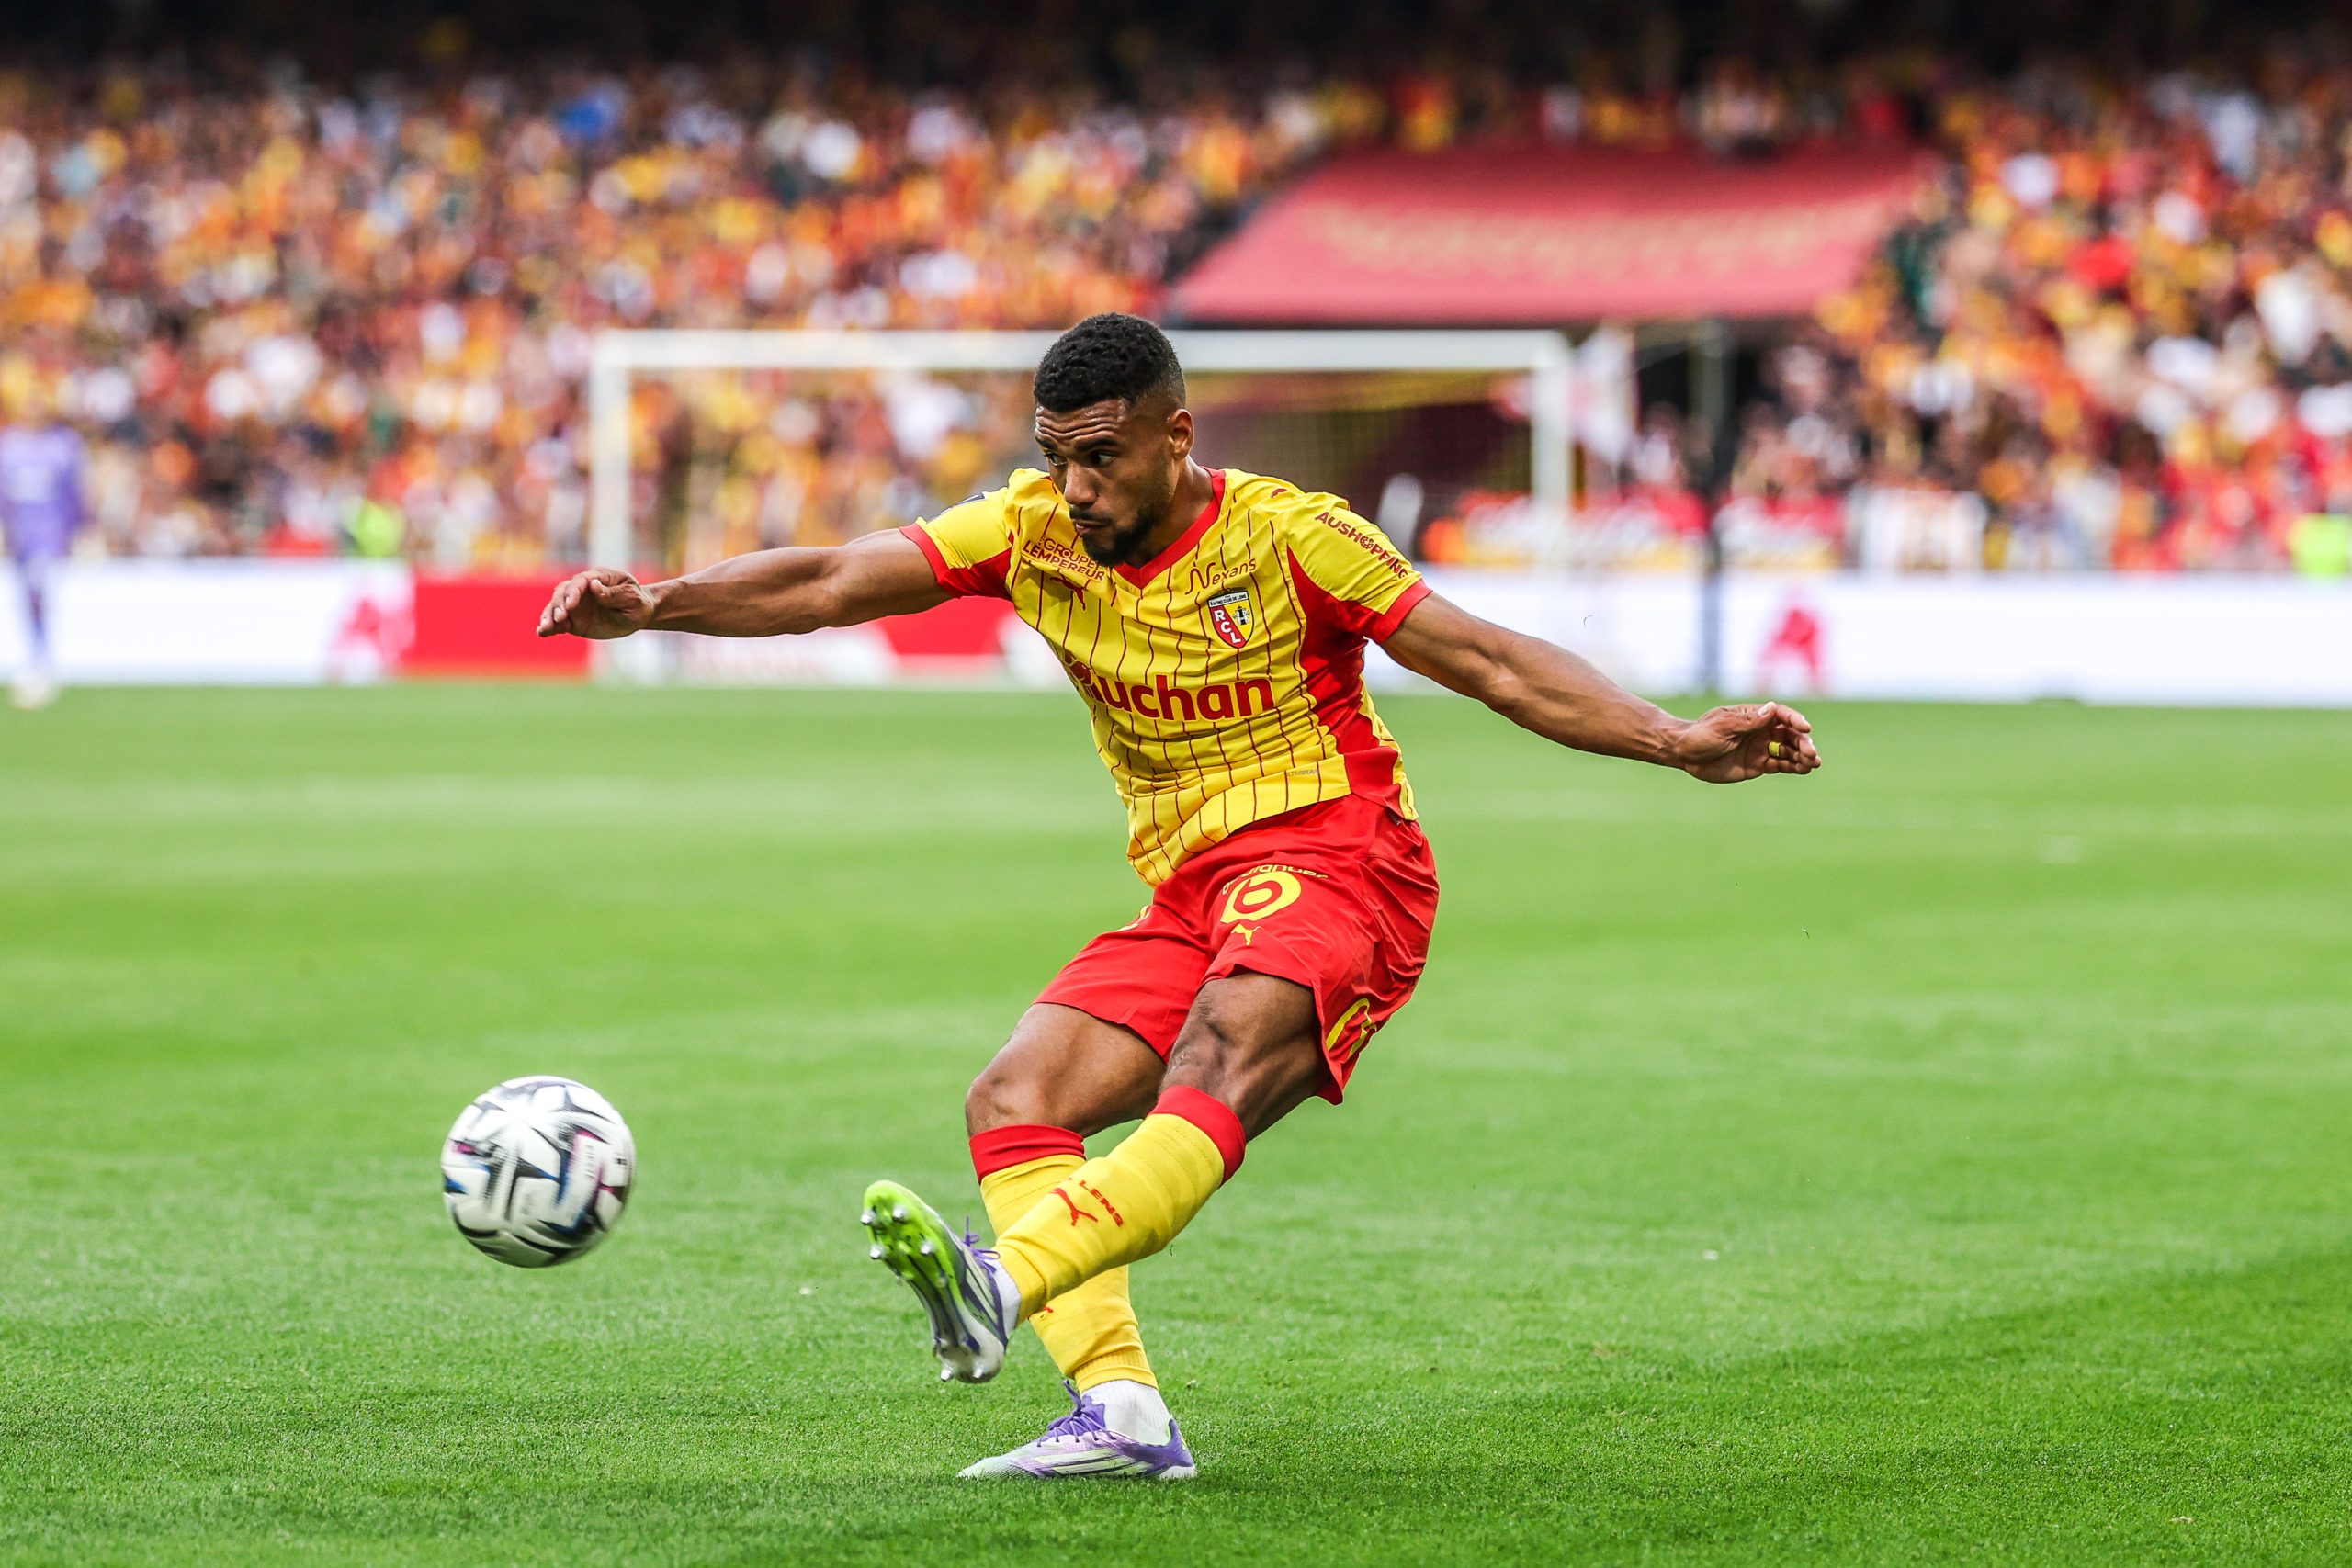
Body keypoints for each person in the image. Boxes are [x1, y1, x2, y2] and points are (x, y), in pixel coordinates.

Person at [537, 313, 1822, 1480]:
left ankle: (1005, 1277)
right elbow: (829, 580)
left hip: (1343, 857)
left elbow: (1483, 655)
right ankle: (1123, 1413)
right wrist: (655, 602)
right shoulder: (1035, 532)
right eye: (1055, 458)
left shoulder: (1291, 535)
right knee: (1016, 1095)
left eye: (1099, 457)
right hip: (1196, 889)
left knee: (1221, 1049)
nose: (1075, 487)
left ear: (1176, 434)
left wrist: (1672, 738)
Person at [0, 396, 86, 709]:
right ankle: (35, 651)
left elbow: (74, 492)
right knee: (26, 594)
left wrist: (79, 528)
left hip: (50, 534)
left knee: (41, 590)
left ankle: (43, 654)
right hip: (20, 535)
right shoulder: (9, 446)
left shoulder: (63, 446)